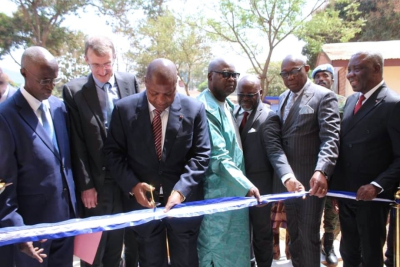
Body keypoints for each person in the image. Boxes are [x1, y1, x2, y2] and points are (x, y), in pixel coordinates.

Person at [105, 58, 210, 267]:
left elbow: (201, 154)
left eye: (168, 93)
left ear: (177, 84)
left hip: (183, 205)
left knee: (186, 261)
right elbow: (113, 154)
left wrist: (181, 190)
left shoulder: (194, 109)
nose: (161, 100)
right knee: (150, 261)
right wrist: (133, 186)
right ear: (145, 82)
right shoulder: (123, 110)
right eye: (154, 93)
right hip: (143, 206)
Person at [62, 35, 139, 267]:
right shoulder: (73, 91)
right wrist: (86, 185)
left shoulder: (130, 82)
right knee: (91, 253)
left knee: (116, 247)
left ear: (115, 57)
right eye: (96, 65)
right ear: (86, 60)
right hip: (95, 184)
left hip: (125, 182)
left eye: (107, 64)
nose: (103, 71)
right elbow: (76, 142)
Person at [0, 46, 77, 266]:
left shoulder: (59, 108)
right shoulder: (6, 118)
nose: (51, 86)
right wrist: (18, 231)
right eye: (44, 80)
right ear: (24, 72)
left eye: (54, 79)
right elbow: (3, 183)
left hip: (65, 224)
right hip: (32, 232)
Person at [330, 51, 400, 267]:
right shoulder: (351, 101)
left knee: (370, 256)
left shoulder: (393, 104)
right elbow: (344, 148)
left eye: (357, 69)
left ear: (377, 69)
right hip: (347, 196)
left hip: (372, 199)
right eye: (349, 69)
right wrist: (336, 189)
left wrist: (377, 186)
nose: (350, 74)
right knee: (348, 252)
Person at [274, 54, 340, 267]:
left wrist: (322, 170)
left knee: (308, 235)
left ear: (306, 68)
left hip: (311, 181)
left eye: (294, 71)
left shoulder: (323, 96)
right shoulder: (283, 97)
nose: (289, 77)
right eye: (284, 73)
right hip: (288, 180)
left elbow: (330, 138)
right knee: (294, 234)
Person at [196, 58, 261, 267]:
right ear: (210, 76)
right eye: (225, 74)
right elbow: (218, 157)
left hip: (235, 193)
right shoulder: (204, 108)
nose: (231, 79)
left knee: (237, 253)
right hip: (217, 196)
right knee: (216, 253)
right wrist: (246, 185)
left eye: (234, 75)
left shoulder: (228, 106)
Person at [233, 75, 294, 267]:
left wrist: (287, 177)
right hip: (236, 188)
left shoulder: (269, 117)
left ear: (260, 93)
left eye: (249, 95)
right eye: (240, 94)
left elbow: (275, 152)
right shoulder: (233, 113)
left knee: (261, 235)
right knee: (240, 234)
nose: (244, 99)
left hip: (262, 189)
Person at [312, 63, 345, 266]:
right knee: (311, 208)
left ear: (332, 80)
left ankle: (329, 245)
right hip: (311, 165)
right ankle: (312, 245)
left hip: (336, 165)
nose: (321, 79)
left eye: (325, 76)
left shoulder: (343, 102)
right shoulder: (309, 99)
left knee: (334, 211)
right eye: (317, 76)